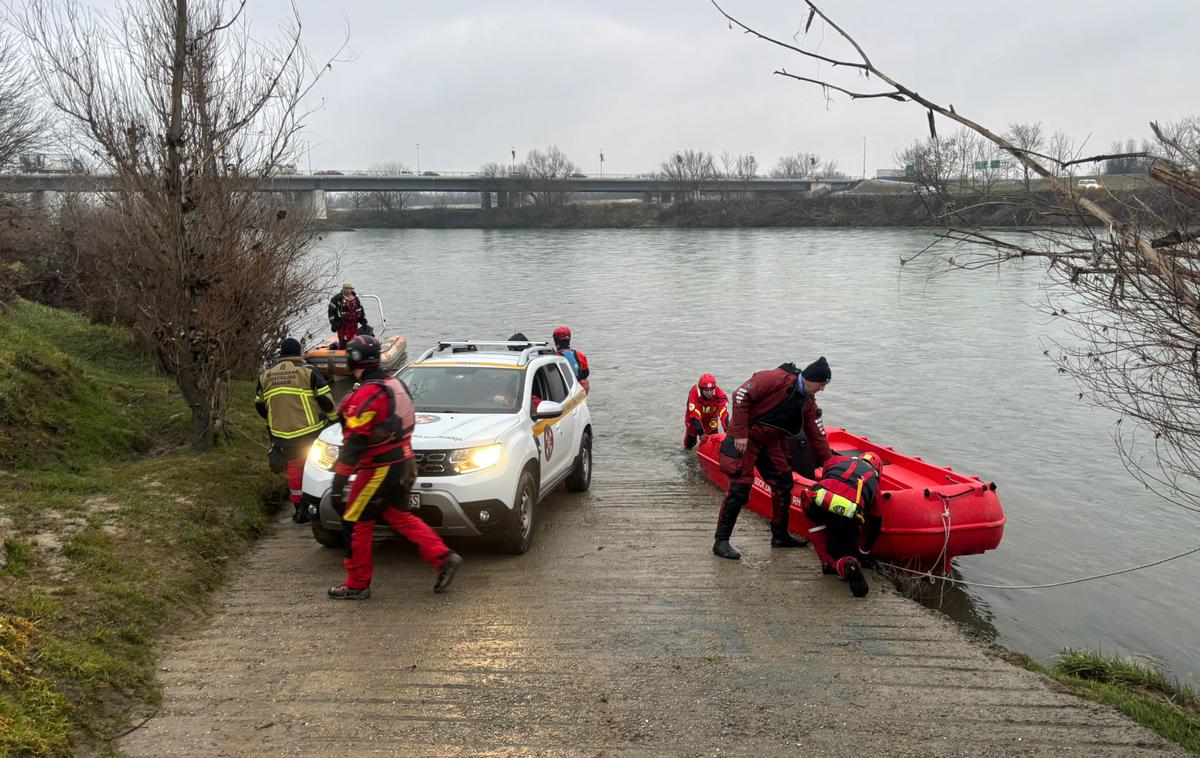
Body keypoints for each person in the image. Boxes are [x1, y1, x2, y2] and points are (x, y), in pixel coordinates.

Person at [327, 334, 463, 600]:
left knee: (355, 523)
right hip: (403, 462)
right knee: (400, 517)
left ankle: (356, 583)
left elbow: (355, 441)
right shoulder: (395, 384)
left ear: (353, 359)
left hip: (377, 469)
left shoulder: (366, 393)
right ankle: (443, 556)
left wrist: (340, 480)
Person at [713, 357, 833, 560]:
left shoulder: (808, 403)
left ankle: (779, 536)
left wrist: (831, 465)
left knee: (784, 484)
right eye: (821, 384)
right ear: (810, 379)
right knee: (740, 488)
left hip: (770, 441)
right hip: (747, 436)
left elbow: (817, 436)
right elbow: (740, 395)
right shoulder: (775, 379)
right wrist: (740, 433)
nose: (822, 389)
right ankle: (721, 541)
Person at [255, 338, 335, 523]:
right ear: (299, 353)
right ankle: (314, 506)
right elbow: (327, 402)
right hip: (309, 432)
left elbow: (259, 405)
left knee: (294, 468)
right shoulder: (308, 372)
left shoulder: (265, 376)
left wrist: (274, 421)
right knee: (314, 467)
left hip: (282, 435)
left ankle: (299, 509)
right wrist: (333, 421)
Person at [803, 451, 884, 597]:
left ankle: (826, 561)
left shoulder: (838, 460)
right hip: (848, 512)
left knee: (812, 513)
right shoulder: (874, 481)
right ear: (877, 469)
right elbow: (875, 521)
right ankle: (848, 565)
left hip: (820, 498)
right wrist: (864, 551)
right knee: (844, 554)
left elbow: (826, 472)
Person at [684, 373, 729, 449]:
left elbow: (724, 414)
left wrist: (728, 431)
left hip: (710, 419)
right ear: (701, 389)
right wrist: (701, 433)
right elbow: (695, 416)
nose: (709, 393)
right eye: (706, 390)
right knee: (690, 443)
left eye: (711, 390)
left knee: (713, 440)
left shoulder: (720, 395)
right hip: (693, 419)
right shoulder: (694, 394)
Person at [328, 282, 368, 349]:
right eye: (346, 288)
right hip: (342, 324)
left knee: (354, 340)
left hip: (353, 324)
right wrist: (334, 323)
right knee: (343, 340)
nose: (348, 290)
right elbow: (331, 312)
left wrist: (364, 321)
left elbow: (361, 309)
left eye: (350, 289)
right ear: (343, 289)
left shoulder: (355, 299)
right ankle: (343, 353)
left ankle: (354, 353)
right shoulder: (336, 299)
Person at [552, 325, 590, 392]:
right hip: (578, 390)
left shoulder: (553, 357)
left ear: (555, 340)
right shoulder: (581, 355)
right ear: (569, 339)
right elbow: (586, 373)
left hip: (563, 391)